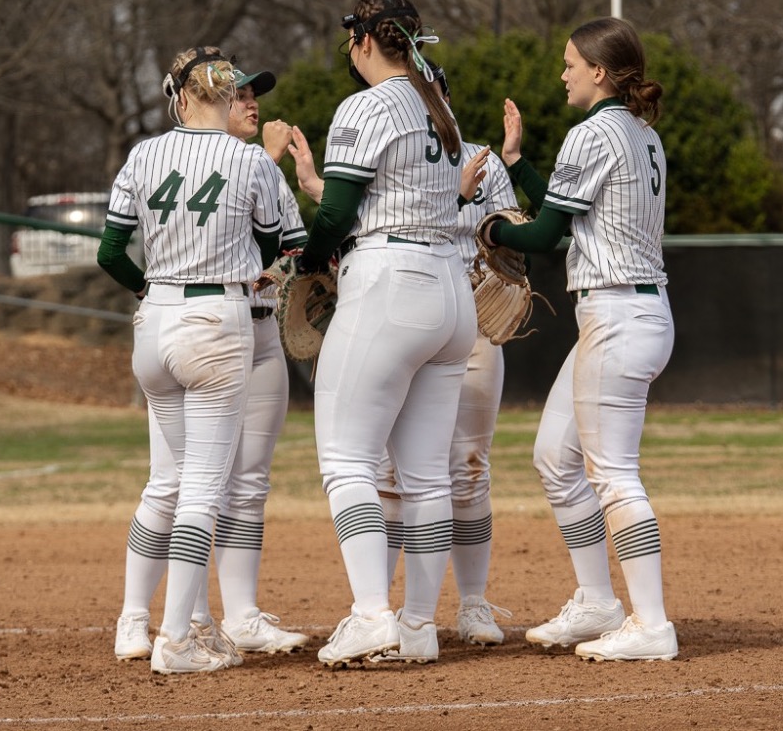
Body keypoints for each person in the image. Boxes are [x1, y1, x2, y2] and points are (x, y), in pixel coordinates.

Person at [290, 64, 520, 647]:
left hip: (434, 302)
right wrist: (315, 186)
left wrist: (312, 256)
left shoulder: (459, 149)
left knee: (426, 466)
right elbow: (373, 208)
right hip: (441, 306)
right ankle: (410, 622)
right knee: (410, 474)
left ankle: (407, 611)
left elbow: (504, 232)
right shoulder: (420, 144)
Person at [479, 17, 679, 661]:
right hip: (630, 313)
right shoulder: (641, 132)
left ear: (599, 71)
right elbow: (567, 216)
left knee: (613, 474)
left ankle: (652, 624)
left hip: (618, 316)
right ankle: (597, 601)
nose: (562, 74)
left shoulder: (592, 132)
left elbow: (543, 235)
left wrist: (490, 232)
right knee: (555, 459)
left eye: (571, 64)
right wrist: (516, 163)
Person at [111, 67, 312, 665]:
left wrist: (149, 292)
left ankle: (225, 618)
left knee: (237, 484)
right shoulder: (249, 163)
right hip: (218, 326)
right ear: (211, 100)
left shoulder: (150, 154)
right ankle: (168, 625)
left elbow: (292, 249)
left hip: (208, 326)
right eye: (239, 94)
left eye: (253, 96)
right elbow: (271, 240)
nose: (250, 104)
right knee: (189, 485)